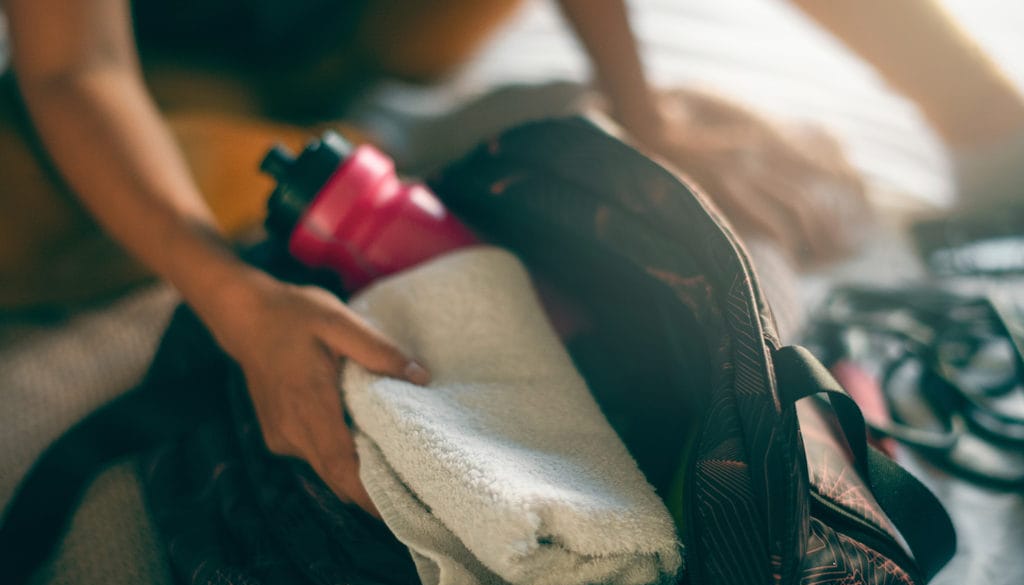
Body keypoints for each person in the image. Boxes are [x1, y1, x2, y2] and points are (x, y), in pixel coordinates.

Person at [1, 0, 1022, 517]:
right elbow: (75, 63)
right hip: (176, 63)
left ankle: (996, 130)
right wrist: (234, 296)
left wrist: (640, 110)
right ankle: (327, 170)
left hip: (384, 25)